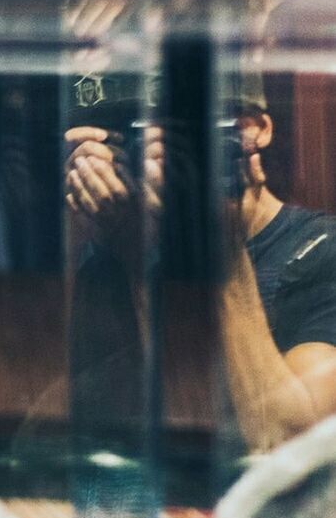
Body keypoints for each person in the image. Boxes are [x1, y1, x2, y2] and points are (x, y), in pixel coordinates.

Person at [66, 74, 336, 455]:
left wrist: (222, 251)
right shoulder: (108, 263)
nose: (147, 159)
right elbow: (109, 435)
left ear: (252, 130)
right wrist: (134, 248)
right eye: (126, 140)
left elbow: (293, 450)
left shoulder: (324, 252)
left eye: (171, 136)